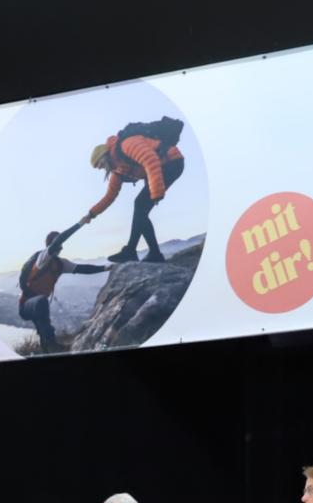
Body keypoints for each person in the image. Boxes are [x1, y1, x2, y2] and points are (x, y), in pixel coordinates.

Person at [82, 117, 186, 264]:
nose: (100, 169)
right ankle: (150, 253)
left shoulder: (126, 145)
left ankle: (134, 251)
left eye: (99, 165)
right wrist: (91, 214)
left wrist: (156, 192)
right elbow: (109, 197)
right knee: (140, 209)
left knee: (140, 207)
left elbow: (150, 159)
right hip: (158, 170)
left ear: (104, 156)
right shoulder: (117, 170)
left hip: (171, 162)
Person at [16, 221, 109, 352]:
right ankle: (52, 345)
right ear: (54, 245)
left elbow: (82, 268)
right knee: (42, 302)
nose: (61, 247)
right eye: (60, 244)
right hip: (26, 306)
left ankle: (47, 350)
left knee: (42, 320)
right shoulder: (43, 258)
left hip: (38, 305)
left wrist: (106, 268)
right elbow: (60, 239)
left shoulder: (60, 264)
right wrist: (81, 223)